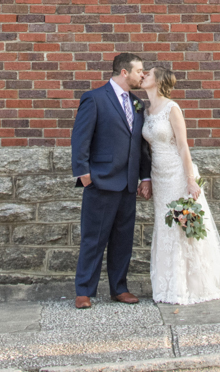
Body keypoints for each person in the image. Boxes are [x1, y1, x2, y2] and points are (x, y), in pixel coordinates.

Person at [140, 65, 220, 304]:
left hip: (177, 173)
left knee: (183, 224)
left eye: (149, 73)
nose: (144, 75)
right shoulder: (146, 111)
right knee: (165, 226)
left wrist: (190, 180)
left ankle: (192, 286)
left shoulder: (172, 108)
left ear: (159, 80)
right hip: (159, 175)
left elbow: (183, 146)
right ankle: (168, 286)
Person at [70, 51, 153, 309]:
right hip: (101, 181)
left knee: (123, 239)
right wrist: (83, 173)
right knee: (93, 238)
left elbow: (141, 145)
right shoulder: (95, 98)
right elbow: (80, 138)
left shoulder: (138, 104)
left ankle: (119, 288)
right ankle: (84, 290)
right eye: (140, 71)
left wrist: (145, 177)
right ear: (124, 72)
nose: (144, 75)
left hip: (128, 184)